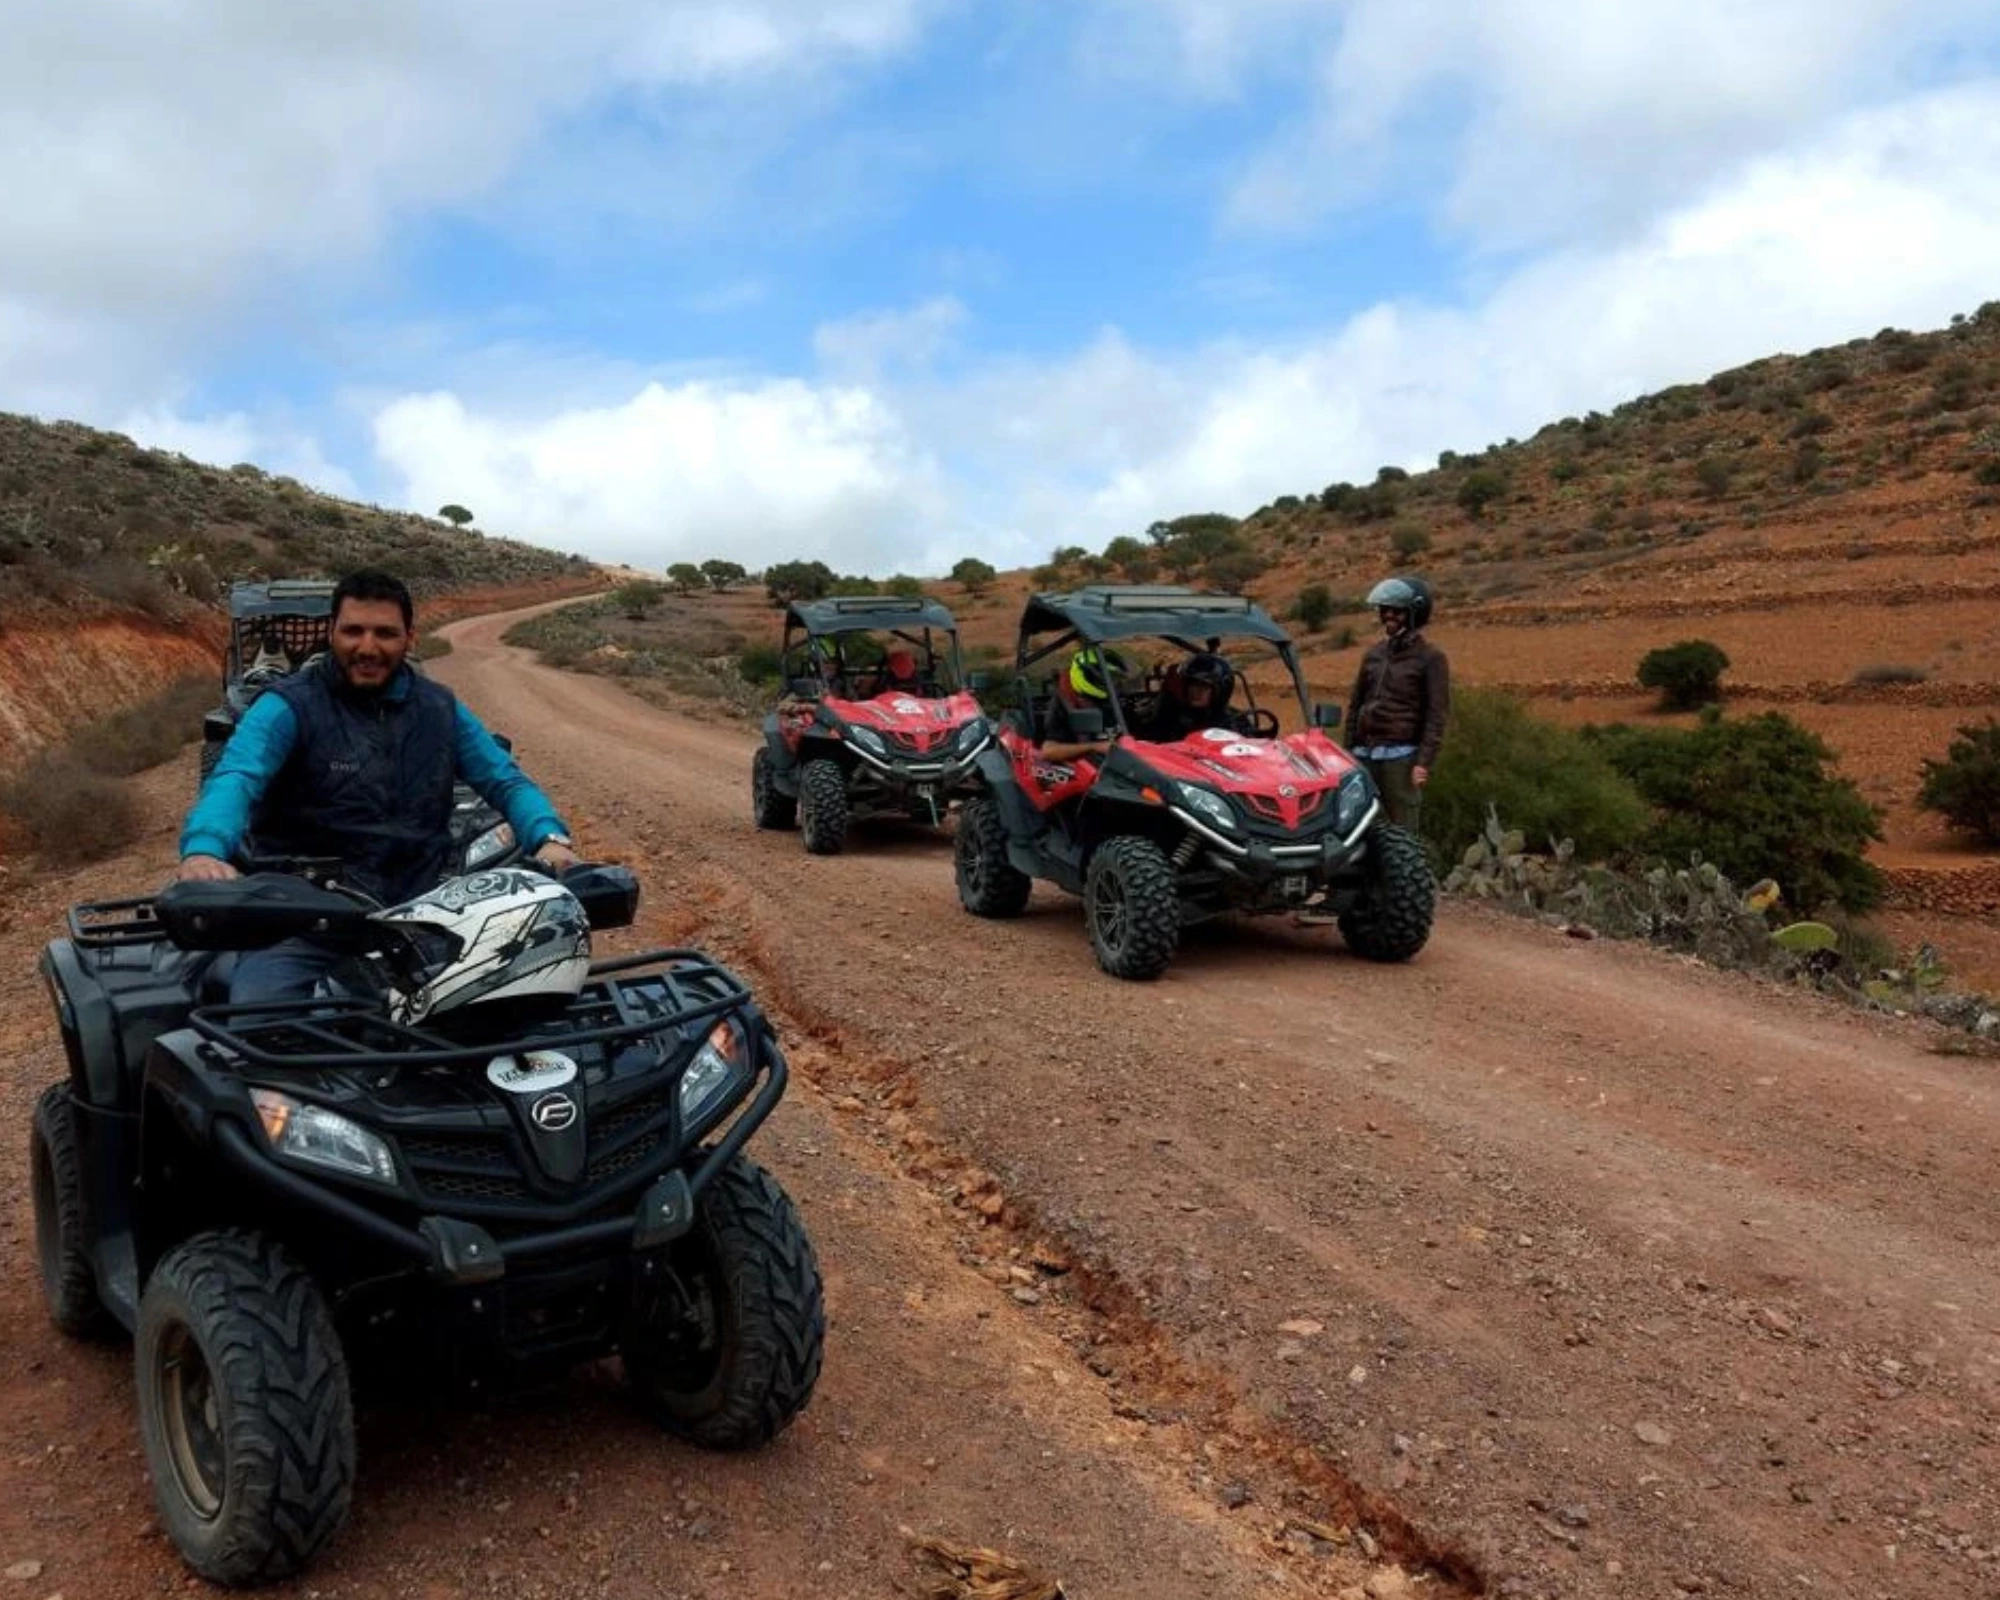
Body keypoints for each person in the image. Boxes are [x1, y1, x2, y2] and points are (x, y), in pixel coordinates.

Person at [178, 568, 579, 1003]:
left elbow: (504, 779)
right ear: (332, 632)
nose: (367, 647)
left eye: (385, 633)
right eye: (353, 631)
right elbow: (237, 776)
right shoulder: (288, 706)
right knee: (261, 1027)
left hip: (417, 913)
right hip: (303, 919)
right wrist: (204, 849)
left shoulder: (440, 709)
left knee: (502, 1012)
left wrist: (550, 837)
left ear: (409, 637)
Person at [1344, 575, 1450, 832]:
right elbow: (1355, 705)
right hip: (1363, 753)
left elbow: (1437, 714)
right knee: (1359, 827)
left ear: (1415, 613)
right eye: (1384, 609)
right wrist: (1346, 752)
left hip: (1400, 757)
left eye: (1397, 611)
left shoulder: (1430, 657)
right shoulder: (1374, 654)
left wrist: (1423, 762)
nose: (1389, 615)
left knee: (1402, 831)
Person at [1038, 645, 1129, 762]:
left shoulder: (1115, 696)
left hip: (1122, 764)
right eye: (1111, 679)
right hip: (1086, 769)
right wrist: (1094, 747)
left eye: (1115, 680)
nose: (1115, 684)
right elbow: (1048, 751)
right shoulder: (1064, 703)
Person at [1143, 651, 1238, 742]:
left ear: (1219, 692)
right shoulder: (1173, 714)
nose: (1195, 691)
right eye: (1192, 684)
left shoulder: (1231, 723)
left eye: (1204, 686)